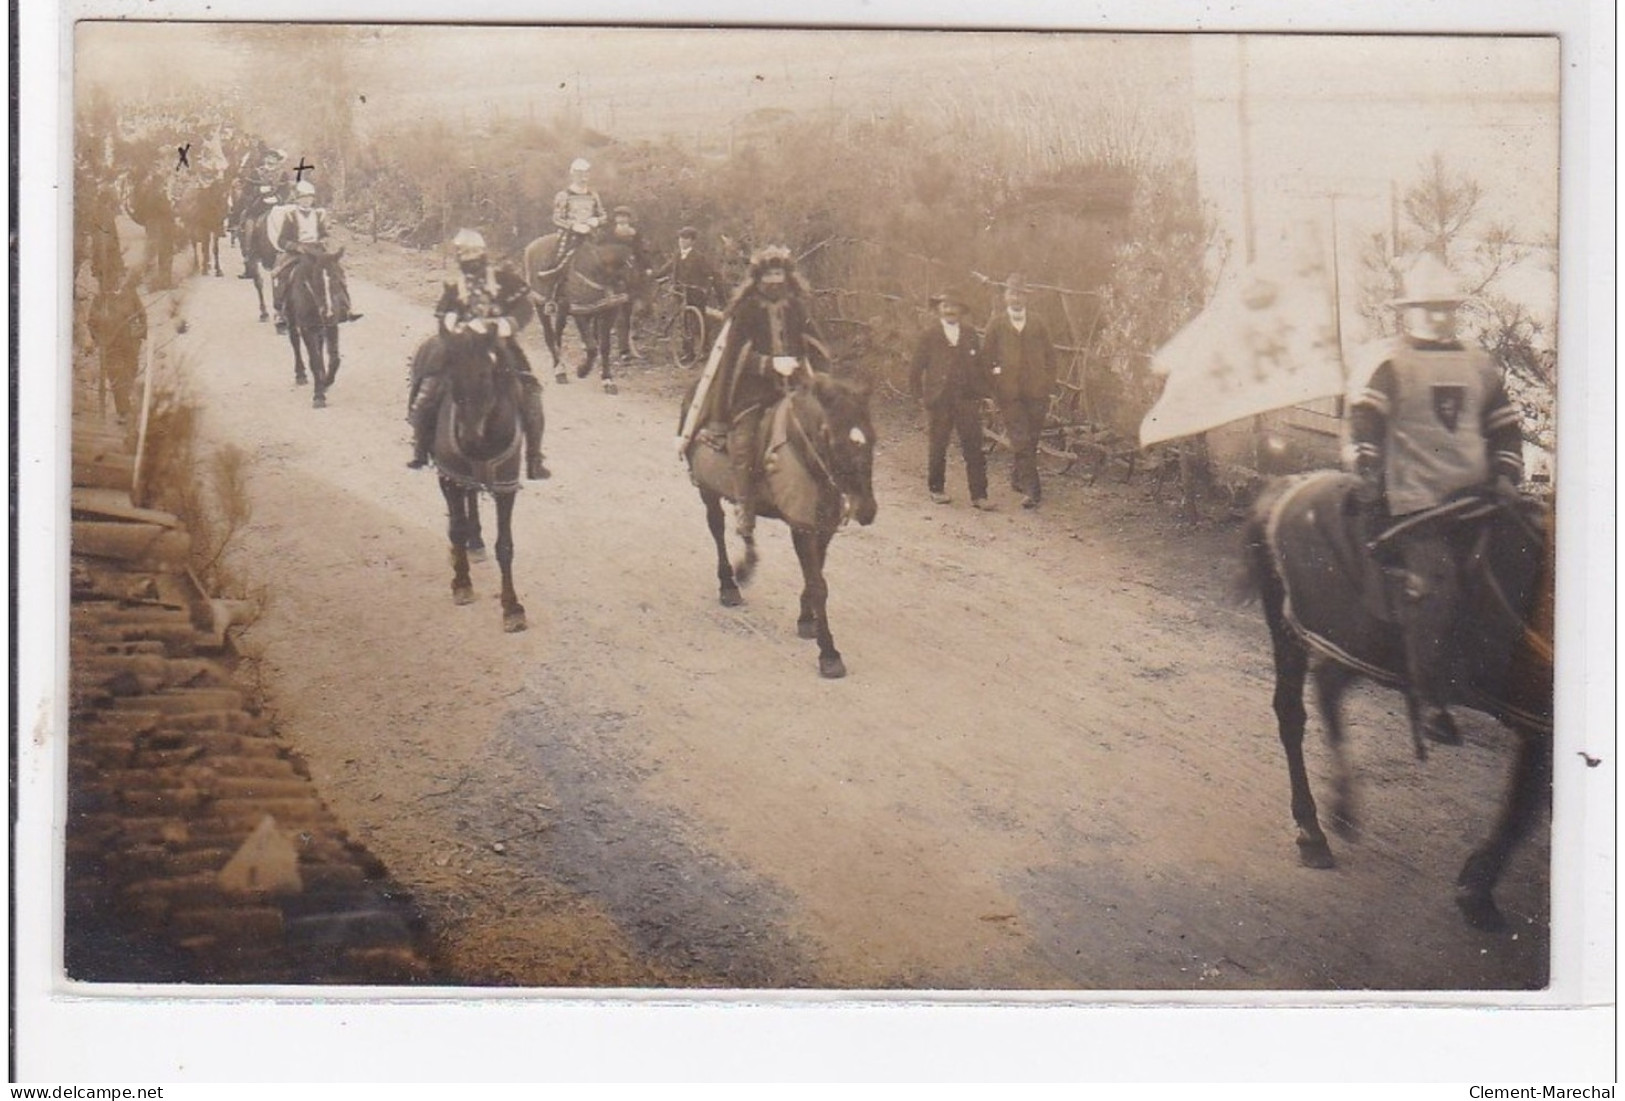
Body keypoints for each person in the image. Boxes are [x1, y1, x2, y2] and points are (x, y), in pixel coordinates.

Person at [1347, 253, 1524, 747]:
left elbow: (1505, 426)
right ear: (1408, 311)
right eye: (1429, 308)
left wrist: (1508, 471)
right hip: (1418, 503)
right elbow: (1367, 419)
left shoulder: (1478, 364)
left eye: (1447, 307)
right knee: (1436, 583)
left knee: (1527, 565)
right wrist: (1364, 460)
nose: (1440, 316)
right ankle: (1429, 699)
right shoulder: (1390, 362)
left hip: (1480, 496)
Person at [687, 245, 831, 537]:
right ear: (758, 277)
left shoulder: (797, 307)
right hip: (753, 390)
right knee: (745, 443)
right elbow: (734, 355)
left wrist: (817, 372)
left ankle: (832, 498)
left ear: (787, 276)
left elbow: (815, 342)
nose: (775, 280)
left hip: (795, 386)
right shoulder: (746, 309)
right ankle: (744, 507)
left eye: (779, 273)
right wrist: (768, 364)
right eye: (769, 274)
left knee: (828, 433)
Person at [408, 228, 550, 481]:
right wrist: (456, 325)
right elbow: (444, 313)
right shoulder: (455, 285)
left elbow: (523, 308)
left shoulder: (504, 280)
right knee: (429, 388)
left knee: (530, 393)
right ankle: (421, 446)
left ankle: (534, 458)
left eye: (474, 252)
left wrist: (504, 325)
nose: (469, 258)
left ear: (483, 253)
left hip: (498, 343)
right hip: (463, 345)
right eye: (464, 253)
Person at [909, 287, 993, 510]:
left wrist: (984, 393)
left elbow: (980, 368)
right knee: (938, 445)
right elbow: (916, 368)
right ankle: (936, 489)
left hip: (966, 399)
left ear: (961, 310)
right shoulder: (929, 335)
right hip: (940, 399)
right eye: (945, 306)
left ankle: (979, 495)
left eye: (954, 307)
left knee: (973, 447)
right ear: (939, 310)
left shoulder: (970, 334)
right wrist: (919, 396)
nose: (950, 311)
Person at [981, 272, 1057, 508]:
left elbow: (1050, 356)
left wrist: (1048, 384)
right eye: (1012, 293)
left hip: (1036, 393)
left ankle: (1017, 477)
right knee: (1021, 439)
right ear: (1005, 296)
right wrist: (997, 381)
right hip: (1009, 394)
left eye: (1021, 294)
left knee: (1031, 439)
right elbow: (987, 359)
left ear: (1026, 298)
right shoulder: (997, 324)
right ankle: (1033, 491)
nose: (1016, 299)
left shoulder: (1037, 323)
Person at [268, 180, 361, 333]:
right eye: (303, 198)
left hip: (317, 250)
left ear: (313, 199)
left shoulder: (318, 215)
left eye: (309, 198)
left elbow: (324, 234)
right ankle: (280, 312)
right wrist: (296, 246)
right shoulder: (290, 216)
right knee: (282, 273)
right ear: (297, 199)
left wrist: (323, 241)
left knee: (337, 270)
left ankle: (346, 307)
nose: (306, 201)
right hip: (298, 251)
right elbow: (282, 240)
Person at [653, 225, 723, 364]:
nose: (682, 241)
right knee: (684, 323)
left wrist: (709, 285)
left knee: (698, 321)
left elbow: (710, 273)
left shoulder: (699, 257)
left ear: (692, 241)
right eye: (680, 238)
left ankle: (705, 350)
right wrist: (654, 275)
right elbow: (666, 268)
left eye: (686, 239)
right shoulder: (677, 255)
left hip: (695, 293)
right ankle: (688, 352)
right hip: (680, 292)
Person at [606, 206, 651, 362]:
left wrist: (647, 267)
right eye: (619, 216)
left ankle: (631, 342)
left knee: (638, 307)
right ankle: (623, 350)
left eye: (625, 216)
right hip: (615, 274)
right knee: (621, 314)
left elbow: (640, 252)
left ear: (629, 218)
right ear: (616, 219)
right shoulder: (610, 234)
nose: (622, 219)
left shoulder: (635, 233)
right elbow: (604, 252)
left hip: (633, 274)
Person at [549, 157, 606, 270]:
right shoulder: (564, 195)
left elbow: (603, 215)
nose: (583, 176)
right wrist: (574, 226)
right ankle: (555, 280)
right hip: (570, 235)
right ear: (573, 175)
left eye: (586, 173)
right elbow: (557, 218)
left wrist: (597, 221)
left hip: (592, 234)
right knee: (560, 260)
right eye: (579, 173)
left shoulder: (593, 195)